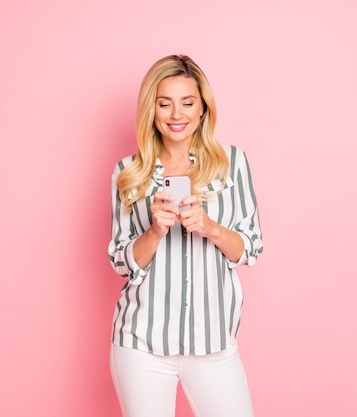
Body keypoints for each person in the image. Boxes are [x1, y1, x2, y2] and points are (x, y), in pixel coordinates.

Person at [108, 54, 263, 417]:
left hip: (214, 344)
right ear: (152, 110)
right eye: (165, 103)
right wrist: (156, 230)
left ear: (203, 109)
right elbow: (120, 260)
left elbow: (251, 248)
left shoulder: (233, 163)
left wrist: (210, 228)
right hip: (141, 343)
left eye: (187, 103)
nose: (176, 114)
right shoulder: (128, 172)